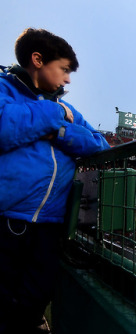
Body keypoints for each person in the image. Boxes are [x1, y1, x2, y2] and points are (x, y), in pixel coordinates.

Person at [0, 28, 110, 332]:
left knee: (38, 294)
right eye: (64, 69)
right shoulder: (4, 90)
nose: (68, 79)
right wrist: (53, 112)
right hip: (7, 218)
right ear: (37, 59)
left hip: (51, 223)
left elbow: (100, 144)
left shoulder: (70, 110)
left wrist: (59, 131)